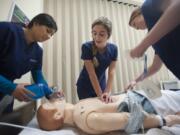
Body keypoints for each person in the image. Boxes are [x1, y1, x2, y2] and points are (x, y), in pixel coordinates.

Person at [36, 89, 180, 134]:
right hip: (147, 103)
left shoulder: (78, 106)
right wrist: (167, 120)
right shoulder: (84, 119)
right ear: (58, 115)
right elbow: (129, 119)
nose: (52, 100)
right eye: (50, 104)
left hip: (140, 94)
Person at [0, 13, 59, 116]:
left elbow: (38, 76)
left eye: (51, 35)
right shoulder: (6, 30)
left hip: (7, 94)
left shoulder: (38, 52)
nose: (49, 37)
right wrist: (11, 87)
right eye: (48, 31)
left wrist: (50, 93)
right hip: (8, 87)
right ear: (36, 23)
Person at [126, 0, 180, 89]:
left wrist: (142, 46)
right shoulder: (155, 40)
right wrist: (135, 80)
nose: (138, 28)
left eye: (135, 24)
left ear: (137, 14)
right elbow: (155, 67)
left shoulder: (147, 6)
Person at [76, 17, 118, 102]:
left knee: (103, 108)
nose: (97, 37)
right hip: (85, 86)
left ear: (108, 35)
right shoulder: (86, 47)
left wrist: (107, 92)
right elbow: (92, 74)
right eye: (94, 33)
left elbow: (111, 72)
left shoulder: (114, 49)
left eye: (101, 34)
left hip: (101, 84)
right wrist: (100, 95)